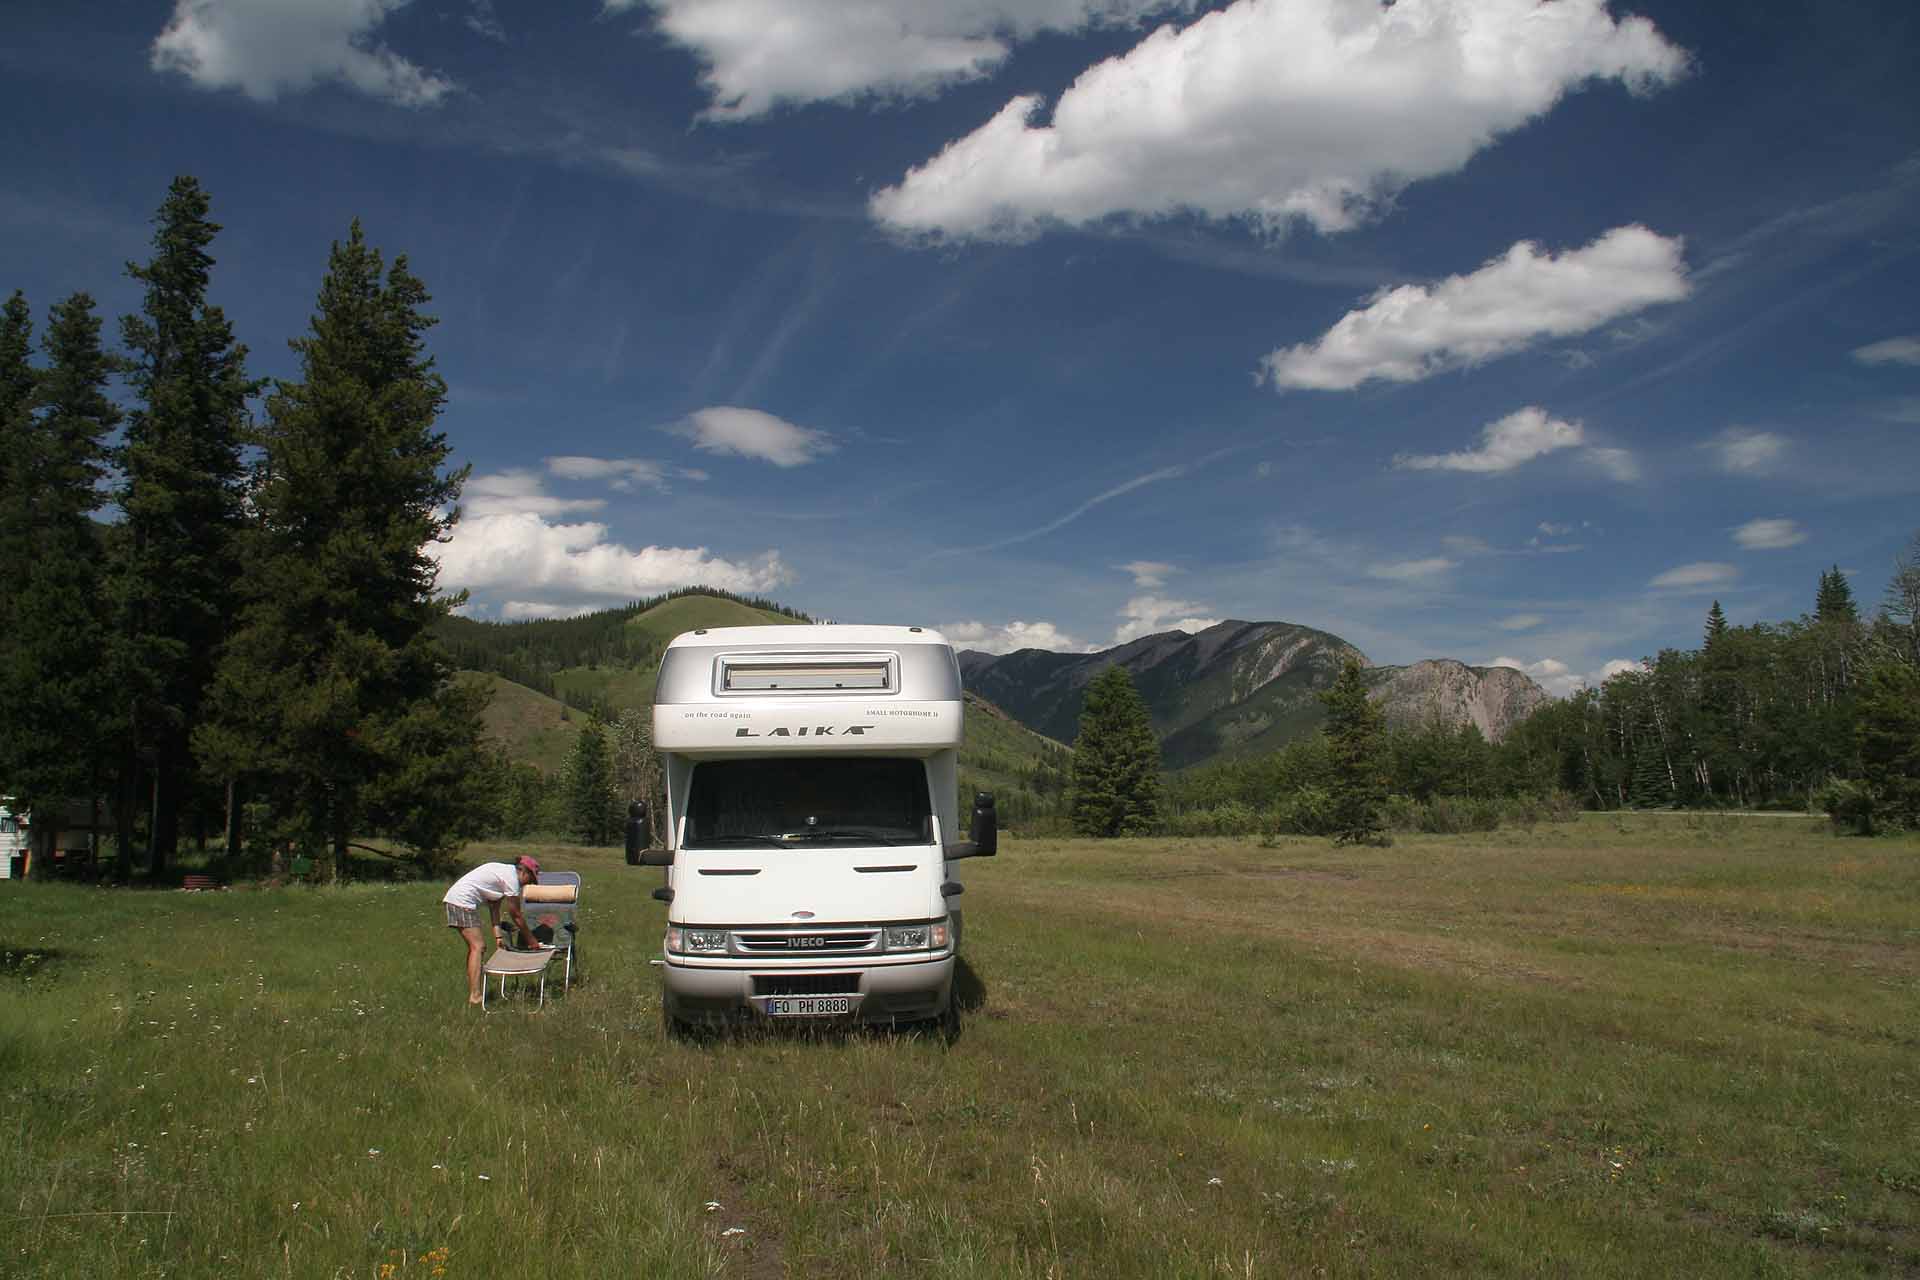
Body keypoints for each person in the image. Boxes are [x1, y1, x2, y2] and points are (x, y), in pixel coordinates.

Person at [443, 855, 551, 1005]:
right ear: (524, 872)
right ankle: (475, 996)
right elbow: (516, 915)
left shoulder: (502, 874)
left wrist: (498, 937)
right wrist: (532, 940)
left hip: (457, 900)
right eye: (531, 880)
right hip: (462, 901)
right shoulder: (512, 879)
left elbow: (494, 908)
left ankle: (475, 994)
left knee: (476, 947)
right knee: (478, 947)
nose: (529, 884)